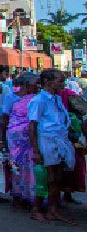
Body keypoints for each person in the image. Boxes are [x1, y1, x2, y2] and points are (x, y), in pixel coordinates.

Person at [29, 69, 78, 224]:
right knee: (47, 177)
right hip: (47, 140)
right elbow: (32, 126)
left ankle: (52, 209)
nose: (62, 84)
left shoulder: (56, 99)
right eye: (60, 81)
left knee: (57, 177)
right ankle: (36, 209)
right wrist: (36, 150)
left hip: (58, 139)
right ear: (48, 82)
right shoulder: (39, 100)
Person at [5, 73, 40, 209]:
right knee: (16, 166)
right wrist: (2, 140)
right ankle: (17, 195)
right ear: (27, 85)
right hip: (16, 138)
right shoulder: (11, 98)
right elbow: (4, 118)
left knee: (30, 167)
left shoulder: (36, 99)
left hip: (30, 137)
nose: (38, 86)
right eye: (35, 84)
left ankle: (30, 195)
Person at [57, 83, 86, 204]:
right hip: (69, 134)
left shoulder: (56, 96)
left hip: (62, 134)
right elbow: (83, 110)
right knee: (71, 163)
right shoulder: (70, 95)